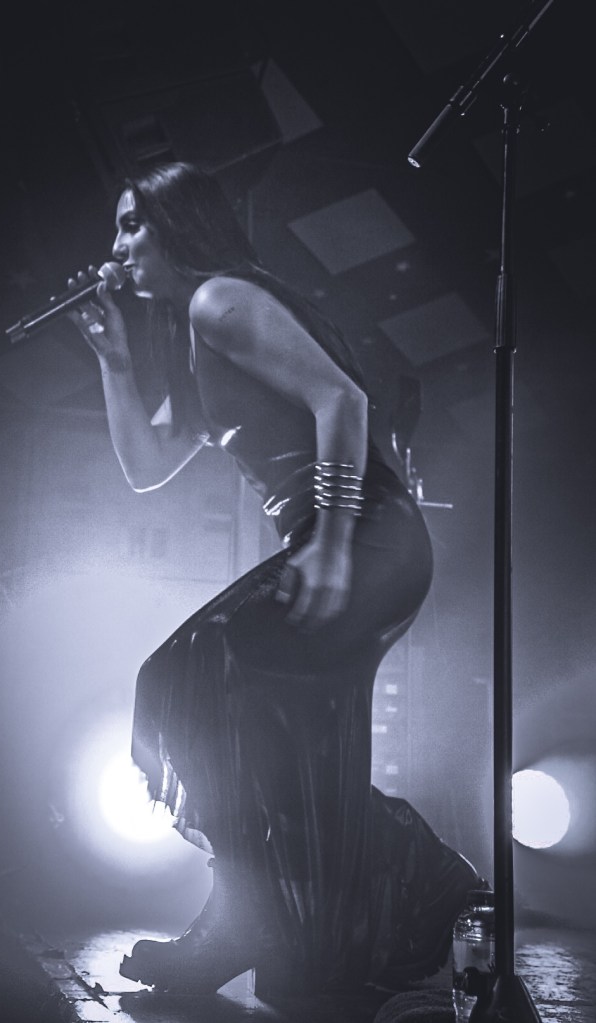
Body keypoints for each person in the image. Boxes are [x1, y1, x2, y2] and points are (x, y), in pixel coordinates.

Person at [69, 161, 483, 998]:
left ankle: (267, 909)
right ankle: (283, 905)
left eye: (132, 223)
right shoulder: (191, 336)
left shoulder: (220, 300)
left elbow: (343, 401)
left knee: (188, 672)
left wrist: (329, 539)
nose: (118, 245)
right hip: (337, 537)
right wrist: (114, 359)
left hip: (368, 533)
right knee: (274, 744)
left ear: (178, 225)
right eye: (117, 227)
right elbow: (146, 467)